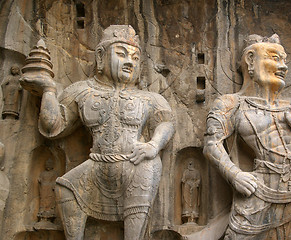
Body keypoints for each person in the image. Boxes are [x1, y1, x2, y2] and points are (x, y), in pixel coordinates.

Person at [20, 25, 175, 240]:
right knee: (66, 188)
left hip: (135, 165)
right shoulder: (82, 91)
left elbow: (166, 123)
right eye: (121, 54)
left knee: (148, 167)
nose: (130, 62)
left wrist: (153, 145)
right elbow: (53, 126)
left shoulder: (149, 98)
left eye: (136, 57)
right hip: (98, 166)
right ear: (101, 57)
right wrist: (48, 90)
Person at [203, 34, 291, 240]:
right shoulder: (232, 104)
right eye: (275, 58)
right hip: (260, 187)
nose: (283, 66)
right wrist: (234, 174)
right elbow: (212, 144)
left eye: (284, 60)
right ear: (250, 60)